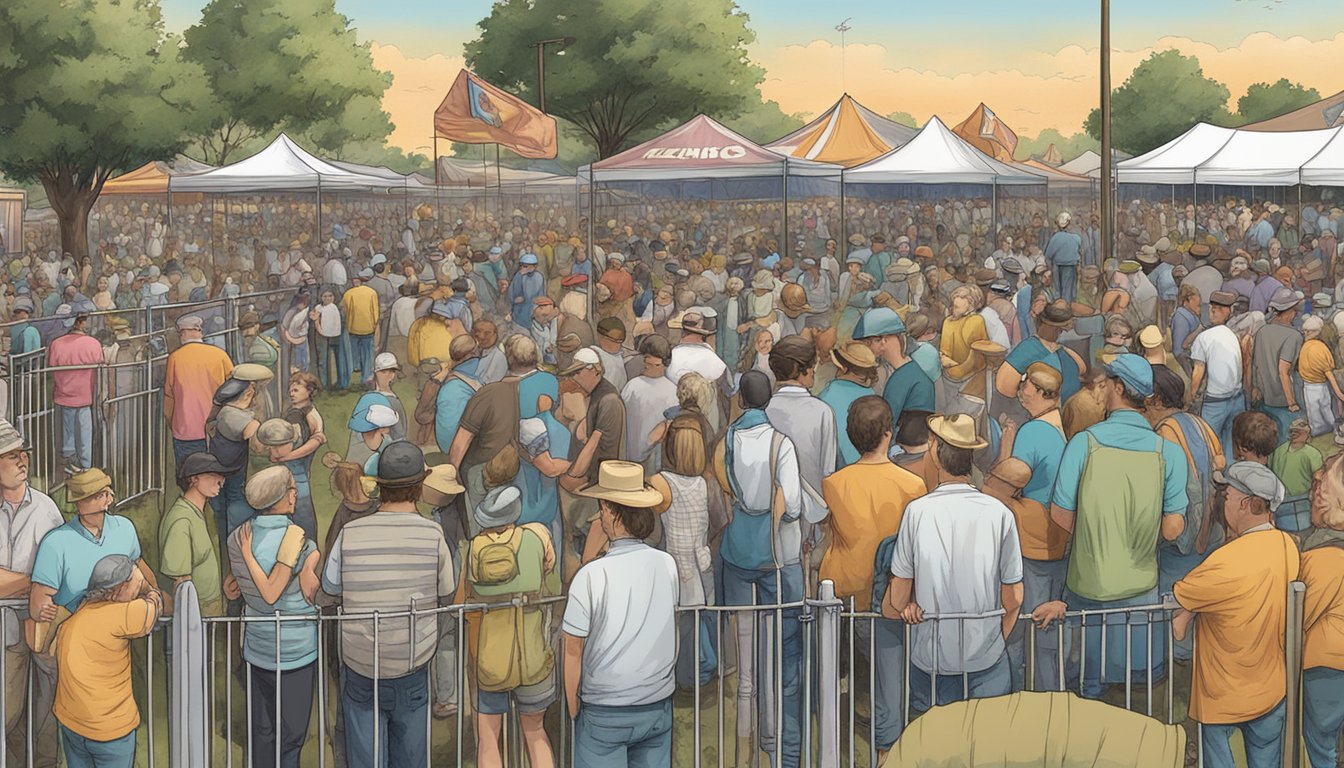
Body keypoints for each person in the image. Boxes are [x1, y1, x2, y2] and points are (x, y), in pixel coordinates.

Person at [321, 442, 456, 768]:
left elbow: (329, 587)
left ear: (380, 486)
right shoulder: (433, 534)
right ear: (420, 485)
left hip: (360, 665)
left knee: (365, 758)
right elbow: (447, 593)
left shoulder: (350, 532)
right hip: (411, 664)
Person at [884, 413, 1022, 709]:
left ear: (934, 451)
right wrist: (992, 640)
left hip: (931, 662)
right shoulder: (1000, 514)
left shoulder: (917, 513)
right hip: (987, 660)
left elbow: (897, 596)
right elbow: (1014, 599)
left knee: (933, 749)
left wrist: (908, 607)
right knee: (986, 750)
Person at [820, 396, 926, 760]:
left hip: (841, 592)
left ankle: (835, 738)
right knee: (887, 679)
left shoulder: (833, 483)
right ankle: (886, 752)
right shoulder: (912, 486)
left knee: (837, 672)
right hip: (885, 596)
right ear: (888, 433)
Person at [1173, 461, 1296, 768]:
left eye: (1226, 495)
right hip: (1272, 690)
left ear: (1244, 503)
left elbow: (1180, 606)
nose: (1221, 501)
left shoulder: (1225, 560)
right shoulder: (1287, 546)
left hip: (1223, 695)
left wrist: (1185, 616)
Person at [711, 370, 804, 767]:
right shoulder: (781, 444)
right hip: (773, 556)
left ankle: (745, 748)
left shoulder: (727, 440)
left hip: (737, 551)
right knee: (780, 655)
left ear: (742, 400)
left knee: (745, 660)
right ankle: (776, 740)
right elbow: (794, 505)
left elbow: (728, 487)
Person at [563, 461, 679, 768]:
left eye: (602, 507)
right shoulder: (666, 565)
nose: (599, 514)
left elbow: (572, 648)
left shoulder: (591, 576)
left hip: (605, 708)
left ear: (612, 513)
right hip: (656, 702)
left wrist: (573, 707)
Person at [229, 467, 321, 768]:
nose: (296, 494)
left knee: (262, 732)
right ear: (281, 499)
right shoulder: (298, 539)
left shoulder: (236, 538)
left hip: (257, 648)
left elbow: (238, 587)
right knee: (292, 736)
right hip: (295, 649)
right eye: (292, 490)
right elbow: (272, 594)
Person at [463, 485, 557, 768]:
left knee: (489, 737)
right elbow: (545, 578)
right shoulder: (534, 539)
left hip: (491, 658)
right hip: (534, 658)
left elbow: (470, 591)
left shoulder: (476, 546)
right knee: (535, 732)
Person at [995, 362, 1069, 691]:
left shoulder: (1033, 432)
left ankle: (1021, 695)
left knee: (1022, 623)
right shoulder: (1057, 425)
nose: (1020, 388)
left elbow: (1007, 481)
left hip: (1032, 540)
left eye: (1026, 384)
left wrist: (1006, 441)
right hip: (1057, 536)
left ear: (1041, 393)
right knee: (1047, 630)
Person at [52, 554, 161, 768]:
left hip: (71, 722)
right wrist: (149, 589)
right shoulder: (122, 614)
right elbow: (153, 607)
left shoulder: (80, 613)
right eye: (133, 581)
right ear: (119, 588)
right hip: (109, 729)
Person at [0, 418, 62, 768]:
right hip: (6, 632)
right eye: (10, 455)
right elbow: (43, 576)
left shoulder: (45, 508)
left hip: (42, 625)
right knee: (7, 715)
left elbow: (57, 574)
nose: (22, 461)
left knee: (46, 712)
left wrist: (27, 583)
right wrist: (34, 581)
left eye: (22, 453)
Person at [646, 413, 719, 690]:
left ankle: (686, 677)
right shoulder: (706, 484)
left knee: (682, 627)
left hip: (676, 564)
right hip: (702, 561)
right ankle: (702, 671)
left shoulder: (660, 482)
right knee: (700, 622)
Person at [30, 468, 158, 624]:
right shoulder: (55, 541)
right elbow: (39, 600)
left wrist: (154, 593)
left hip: (122, 620)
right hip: (76, 621)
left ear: (108, 497)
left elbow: (140, 567)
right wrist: (43, 610)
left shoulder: (124, 527)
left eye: (98, 495)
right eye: (83, 497)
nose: (84, 502)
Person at [1300, 452, 1344, 768]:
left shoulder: (1325, 558)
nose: (1312, 498)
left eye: (1318, 492)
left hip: (1328, 669)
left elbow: (1298, 616)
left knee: (1321, 748)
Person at [160, 452, 237, 618]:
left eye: (221, 476)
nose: (220, 481)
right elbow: (180, 582)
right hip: (195, 615)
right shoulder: (181, 521)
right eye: (212, 475)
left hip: (213, 608)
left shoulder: (206, 512)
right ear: (193, 479)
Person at [164, 314, 235, 470]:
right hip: (217, 427)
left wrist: (171, 422)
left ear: (185, 332)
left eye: (181, 332)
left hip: (186, 429)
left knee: (188, 476)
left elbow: (169, 396)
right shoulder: (220, 355)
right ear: (199, 331)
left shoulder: (175, 358)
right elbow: (234, 389)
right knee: (216, 475)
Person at [858, 308, 934, 435]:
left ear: (883, 341)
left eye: (867, 342)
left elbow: (886, 428)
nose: (865, 348)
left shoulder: (901, 380)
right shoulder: (910, 371)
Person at [46, 304, 104, 474]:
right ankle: (85, 463)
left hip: (63, 394)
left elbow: (52, 366)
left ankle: (67, 457)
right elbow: (100, 366)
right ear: (81, 323)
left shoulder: (56, 344)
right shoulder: (93, 344)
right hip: (85, 395)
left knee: (68, 427)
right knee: (84, 428)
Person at [269, 373, 326, 541]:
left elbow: (316, 440)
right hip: (290, 472)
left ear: (309, 391)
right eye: (290, 390)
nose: (291, 393)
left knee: (301, 516)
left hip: (298, 473)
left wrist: (286, 457)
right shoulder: (294, 412)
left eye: (296, 389)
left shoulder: (309, 415)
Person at [1190, 291, 1245, 461]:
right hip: (1237, 397)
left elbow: (1198, 370)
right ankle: (1228, 474)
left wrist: (1191, 395)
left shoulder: (1204, 337)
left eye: (1214, 309)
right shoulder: (1232, 336)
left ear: (1214, 311)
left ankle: (1210, 480)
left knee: (1208, 441)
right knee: (1231, 441)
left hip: (1216, 401)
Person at [1251, 287, 1304, 438]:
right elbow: (1283, 370)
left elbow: (1255, 364)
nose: (1295, 314)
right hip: (1284, 401)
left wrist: (1255, 388)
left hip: (1263, 398)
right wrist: (1292, 402)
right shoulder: (1294, 336)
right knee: (1286, 442)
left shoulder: (1261, 332)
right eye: (1294, 310)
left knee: (1265, 440)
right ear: (1287, 312)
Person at [620, 334, 678, 472]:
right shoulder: (632, 386)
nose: (652, 368)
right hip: (629, 451)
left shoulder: (672, 391)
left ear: (665, 364)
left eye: (656, 365)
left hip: (656, 455)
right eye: (648, 364)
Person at [817, 341, 879, 469]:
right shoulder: (873, 397)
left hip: (840, 470)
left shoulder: (826, 397)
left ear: (843, 369)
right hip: (871, 468)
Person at [1268, 418, 1322, 534]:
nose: (1295, 434)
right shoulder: (1279, 451)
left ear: (1307, 434)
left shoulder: (1313, 454)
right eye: (1293, 431)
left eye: (1299, 431)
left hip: (1304, 501)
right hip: (1282, 501)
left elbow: (1318, 478)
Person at [433, 335, 483, 453]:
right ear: (470, 354)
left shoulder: (448, 375)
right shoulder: (476, 368)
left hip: (445, 444)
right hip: (461, 447)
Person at [1297, 314, 1344, 436]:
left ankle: (1324, 432)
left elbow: (1328, 372)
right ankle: (1331, 431)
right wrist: (1339, 393)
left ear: (1317, 332)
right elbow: (1329, 371)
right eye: (1305, 331)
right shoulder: (1320, 347)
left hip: (1312, 386)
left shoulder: (1313, 347)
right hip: (1316, 385)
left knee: (1316, 411)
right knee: (1324, 408)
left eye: (1308, 331)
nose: (1305, 334)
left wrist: (1339, 393)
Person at [341, 270, 380, 386]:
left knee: (353, 354)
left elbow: (344, 310)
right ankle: (366, 378)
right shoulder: (372, 293)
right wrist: (375, 326)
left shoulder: (348, 294)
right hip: (368, 328)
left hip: (353, 328)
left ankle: (353, 375)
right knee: (368, 354)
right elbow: (375, 313)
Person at [311, 289, 347, 391]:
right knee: (322, 360)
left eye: (330, 296)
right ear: (321, 297)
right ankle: (323, 384)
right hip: (321, 336)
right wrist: (319, 328)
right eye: (325, 296)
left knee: (333, 360)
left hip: (333, 336)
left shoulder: (334, 308)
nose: (327, 298)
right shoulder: (318, 307)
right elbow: (315, 318)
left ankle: (334, 383)